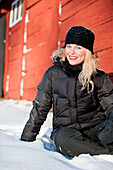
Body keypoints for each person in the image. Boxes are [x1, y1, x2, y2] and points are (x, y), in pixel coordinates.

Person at [21, 26, 113, 157]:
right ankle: (106, 153)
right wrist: (26, 140)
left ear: (87, 51)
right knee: (62, 139)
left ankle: (95, 148)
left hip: (96, 127)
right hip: (67, 131)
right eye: (69, 46)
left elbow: (111, 105)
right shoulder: (52, 74)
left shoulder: (98, 76)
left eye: (78, 47)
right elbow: (40, 109)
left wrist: (109, 129)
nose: (72, 52)